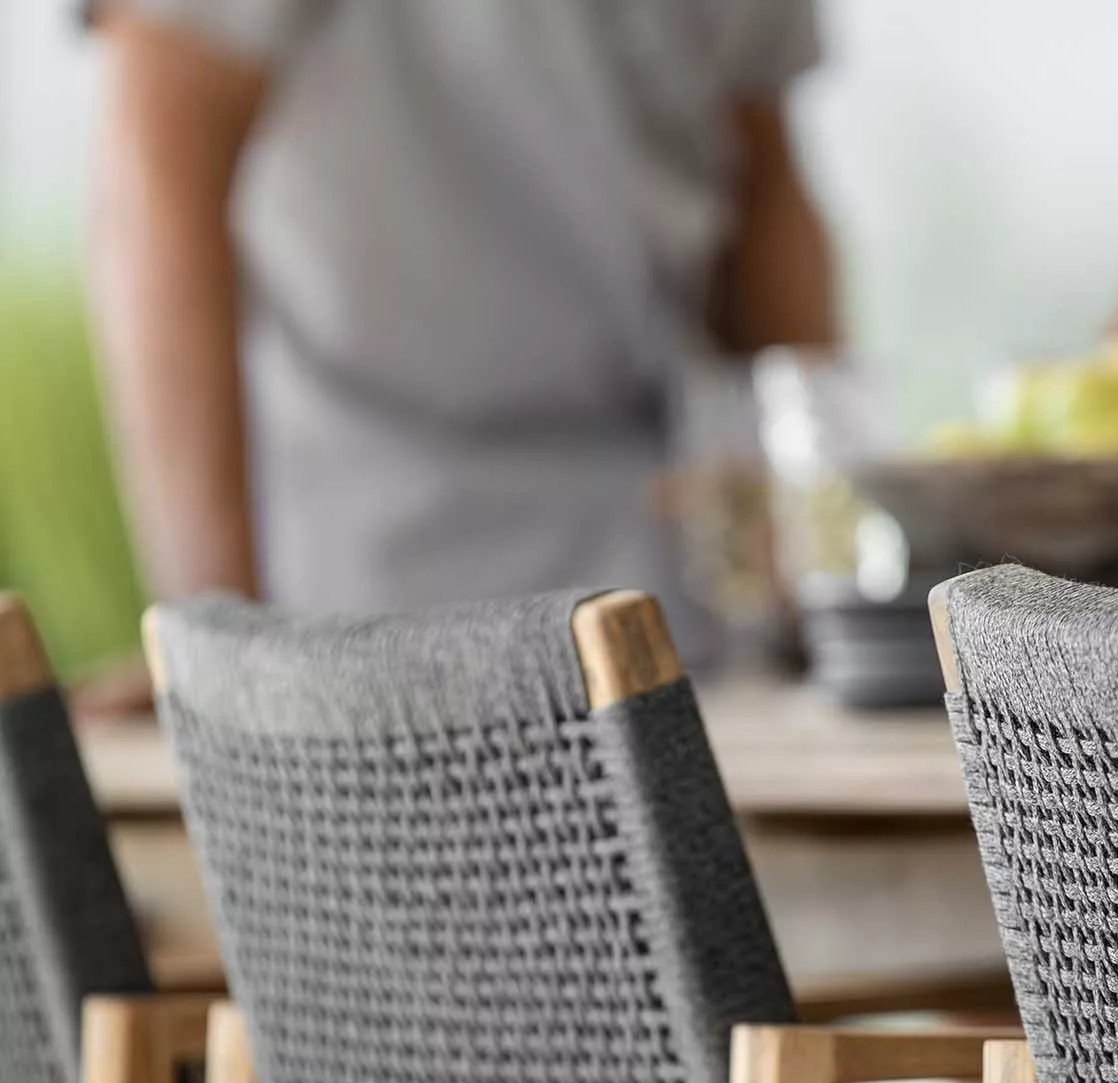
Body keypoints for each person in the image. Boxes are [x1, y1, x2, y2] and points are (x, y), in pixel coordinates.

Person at [81, 0, 836, 711]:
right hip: (375, 589)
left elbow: (760, 179)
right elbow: (158, 164)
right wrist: (213, 653)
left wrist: (820, 544)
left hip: (669, 582)